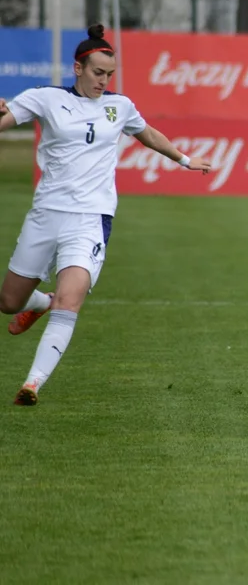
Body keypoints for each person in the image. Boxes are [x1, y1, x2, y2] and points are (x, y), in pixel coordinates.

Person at [0, 24, 212, 406]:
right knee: (9, 302)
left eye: (110, 74)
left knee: (71, 300)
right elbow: (5, 119)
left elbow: (146, 133)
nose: (104, 81)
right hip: (46, 213)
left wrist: (184, 159)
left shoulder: (120, 106)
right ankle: (41, 303)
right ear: (78, 68)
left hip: (90, 219)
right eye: (98, 72)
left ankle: (32, 383)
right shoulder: (46, 98)